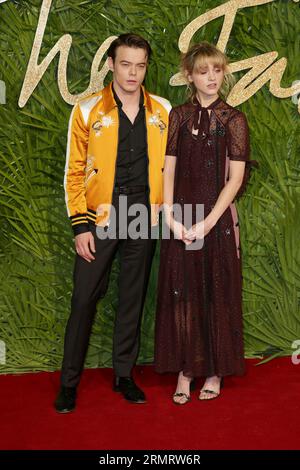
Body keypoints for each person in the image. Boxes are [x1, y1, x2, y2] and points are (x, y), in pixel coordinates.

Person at [55, 33, 171, 413]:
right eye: (125, 64)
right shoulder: (87, 110)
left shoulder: (162, 111)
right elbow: (73, 171)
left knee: (132, 297)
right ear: (111, 65)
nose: (133, 72)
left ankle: (124, 375)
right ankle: (68, 383)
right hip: (100, 215)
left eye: (140, 65)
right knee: (84, 298)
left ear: (146, 67)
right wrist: (80, 226)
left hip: (142, 212)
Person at [155, 41, 257, 404]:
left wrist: (210, 222)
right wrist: (169, 214)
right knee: (182, 294)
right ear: (189, 76)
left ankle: (214, 372)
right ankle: (185, 371)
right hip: (181, 220)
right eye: (203, 71)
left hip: (217, 223)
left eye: (217, 70)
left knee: (217, 295)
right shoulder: (178, 116)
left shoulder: (234, 119)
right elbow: (169, 169)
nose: (212, 77)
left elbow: (235, 179)